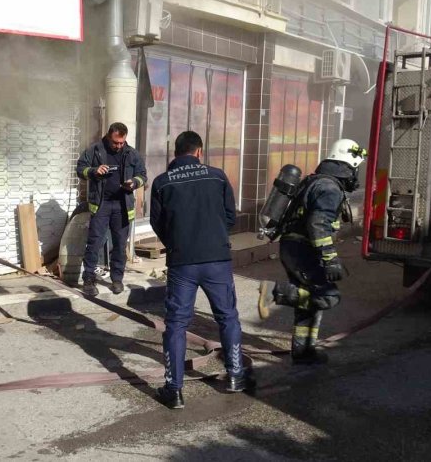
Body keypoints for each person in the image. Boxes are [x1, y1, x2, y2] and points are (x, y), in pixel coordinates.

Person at [149, 131, 251, 409]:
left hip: (182, 262)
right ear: (199, 152)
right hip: (217, 259)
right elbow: (230, 216)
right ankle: (234, 377)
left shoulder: (161, 183)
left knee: (177, 325)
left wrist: (177, 243)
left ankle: (175, 390)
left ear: (176, 153)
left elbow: (158, 223)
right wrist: (213, 235)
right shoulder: (217, 176)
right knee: (227, 317)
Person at [257, 139, 367, 365]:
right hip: (303, 250)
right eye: (355, 169)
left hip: (294, 247)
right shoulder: (329, 188)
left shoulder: (316, 181)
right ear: (349, 164)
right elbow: (318, 224)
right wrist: (331, 259)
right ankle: (274, 292)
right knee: (328, 296)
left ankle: (303, 350)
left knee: (308, 301)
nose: (356, 175)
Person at [75, 122, 147, 296]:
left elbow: (143, 175)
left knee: (120, 244)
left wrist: (134, 183)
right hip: (101, 204)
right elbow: (80, 169)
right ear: (108, 137)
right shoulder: (95, 150)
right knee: (95, 242)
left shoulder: (131, 153)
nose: (119, 146)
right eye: (115, 142)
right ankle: (89, 279)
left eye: (122, 142)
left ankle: (117, 279)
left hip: (122, 205)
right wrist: (93, 171)